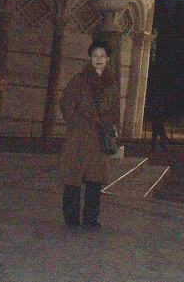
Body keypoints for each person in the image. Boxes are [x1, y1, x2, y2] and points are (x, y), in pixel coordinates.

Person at [59, 41, 120, 229]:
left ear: (108, 59)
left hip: (99, 139)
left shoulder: (112, 85)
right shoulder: (79, 81)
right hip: (79, 137)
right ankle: (71, 218)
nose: (99, 59)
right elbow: (66, 103)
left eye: (102, 56)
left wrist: (108, 125)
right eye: (95, 56)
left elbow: (115, 110)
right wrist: (78, 122)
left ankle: (90, 219)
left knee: (95, 179)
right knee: (73, 177)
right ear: (89, 58)